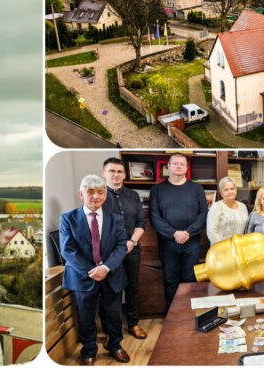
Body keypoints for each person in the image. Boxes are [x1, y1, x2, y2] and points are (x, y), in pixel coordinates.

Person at [59, 175, 130, 365]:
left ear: (105, 196)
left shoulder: (116, 219)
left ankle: (115, 346)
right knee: (86, 317)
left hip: (111, 274)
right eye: (90, 192)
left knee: (114, 315)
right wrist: (93, 271)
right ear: (81, 194)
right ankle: (89, 350)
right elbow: (68, 251)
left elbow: (122, 246)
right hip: (83, 277)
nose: (95, 197)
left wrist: (105, 268)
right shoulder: (68, 219)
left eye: (100, 192)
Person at [149, 154, 208, 310]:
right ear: (168, 166)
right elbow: (154, 217)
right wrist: (174, 234)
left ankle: (188, 314)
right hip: (167, 242)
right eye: (175, 163)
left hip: (192, 242)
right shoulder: (157, 189)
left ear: (187, 168)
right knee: (170, 279)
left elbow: (203, 213)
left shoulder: (196, 188)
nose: (178, 166)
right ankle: (172, 315)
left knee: (190, 280)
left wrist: (188, 232)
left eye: (182, 164)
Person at [101, 158, 147, 340]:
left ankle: (133, 324)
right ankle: (109, 330)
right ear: (104, 174)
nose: (116, 174)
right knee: (110, 292)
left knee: (133, 289)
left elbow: (141, 222)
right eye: (111, 171)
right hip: (110, 254)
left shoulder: (133, 195)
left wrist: (132, 242)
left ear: (125, 175)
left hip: (132, 249)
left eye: (119, 171)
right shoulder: (99, 195)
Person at [207, 176, 249, 244]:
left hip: (239, 248)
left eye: (232, 189)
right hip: (222, 250)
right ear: (221, 192)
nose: (230, 192)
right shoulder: (217, 207)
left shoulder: (243, 207)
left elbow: (246, 230)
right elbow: (211, 231)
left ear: (236, 190)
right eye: (226, 190)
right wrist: (224, 247)